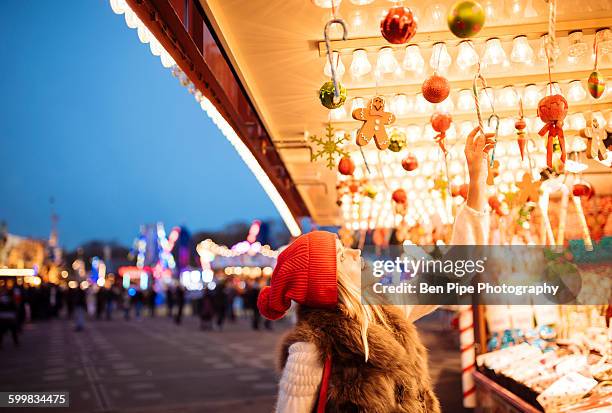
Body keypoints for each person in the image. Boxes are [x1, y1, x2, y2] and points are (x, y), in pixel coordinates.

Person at [260, 127, 493, 412]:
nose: (356, 252)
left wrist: (477, 183)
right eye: (342, 254)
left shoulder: (388, 310)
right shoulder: (310, 350)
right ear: (330, 281)